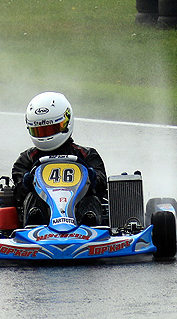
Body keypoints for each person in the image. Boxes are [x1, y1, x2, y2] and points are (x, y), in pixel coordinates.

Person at [11, 92, 107, 226]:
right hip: (38, 225)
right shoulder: (26, 160)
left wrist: (92, 179)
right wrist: (26, 184)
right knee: (32, 198)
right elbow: (16, 197)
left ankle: (89, 224)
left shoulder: (87, 155)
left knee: (91, 199)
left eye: (51, 129)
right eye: (40, 131)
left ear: (66, 122)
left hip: (79, 215)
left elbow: (103, 189)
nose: (46, 136)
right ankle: (35, 222)